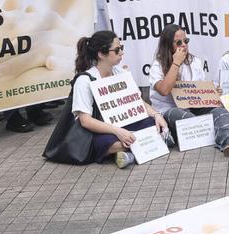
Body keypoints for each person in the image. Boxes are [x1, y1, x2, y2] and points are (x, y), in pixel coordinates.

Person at [149, 25, 229, 156]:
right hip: (169, 111)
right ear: (167, 45)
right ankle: (220, 132)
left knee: (220, 111)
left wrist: (212, 92)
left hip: (194, 107)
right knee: (183, 116)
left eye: (186, 41)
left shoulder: (194, 61)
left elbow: (199, 90)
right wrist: (176, 63)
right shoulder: (157, 65)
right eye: (178, 43)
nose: (184, 45)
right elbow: (164, 90)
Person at [70, 31, 168, 168]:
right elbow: (85, 121)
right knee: (107, 142)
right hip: (101, 130)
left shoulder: (121, 72)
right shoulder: (84, 80)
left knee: (156, 125)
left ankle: (129, 152)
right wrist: (117, 131)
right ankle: (141, 146)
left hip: (125, 123)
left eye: (121, 48)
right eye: (117, 50)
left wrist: (157, 115)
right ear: (101, 54)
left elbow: (138, 101)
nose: (121, 52)